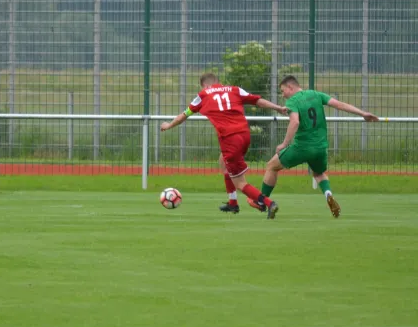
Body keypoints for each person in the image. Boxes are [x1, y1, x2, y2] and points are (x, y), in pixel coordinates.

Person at [160, 72, 288, 219]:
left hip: (230, 139)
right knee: (223, 160)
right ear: (218, 82)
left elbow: (185, 114)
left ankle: (269, 203)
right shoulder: (235, 90)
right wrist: (278, 108)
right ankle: (232, 202)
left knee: (240, 183)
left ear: (206, 85)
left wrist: (168, 125)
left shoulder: (203, 95)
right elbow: (257, 100)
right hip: (244, 135)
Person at [259, 75, 379, 218]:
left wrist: (284, 143)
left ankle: (263, 202)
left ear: (291, 87)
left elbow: (295, 122)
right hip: (320, 148)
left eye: (283, 91)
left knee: (272, 166)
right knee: (319, 173)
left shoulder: (293, 101)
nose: (283, 95)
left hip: (301, 147)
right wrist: (362, 113)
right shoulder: (316, 94)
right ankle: (328, 194)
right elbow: (339, 104)